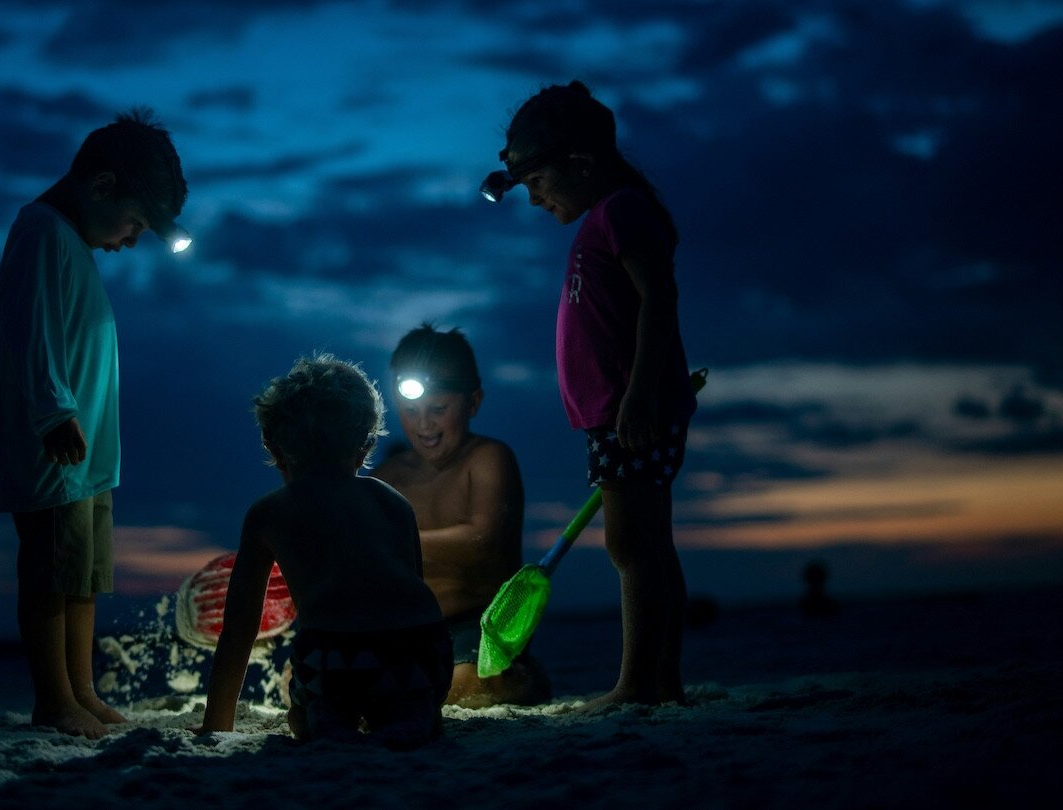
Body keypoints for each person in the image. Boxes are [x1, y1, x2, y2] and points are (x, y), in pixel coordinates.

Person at [480, 81, 697, 707]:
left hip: (634, 414)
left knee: (633, 545)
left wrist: (636, 395)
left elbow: (660, 299)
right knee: (647, 543)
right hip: (618, 415)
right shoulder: (604, 219)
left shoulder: (622, 209)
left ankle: (637, 687)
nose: (534, 199)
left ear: (579, 164)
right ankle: (663, 682)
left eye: (538, 183)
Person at [0, 108, 189, 738]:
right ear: (101, 185)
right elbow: (31, 330)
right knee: (51, 570)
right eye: (134, 223)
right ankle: (54, 698)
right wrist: (53, 412)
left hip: (90, 454)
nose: (132, 240)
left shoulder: (72, 242)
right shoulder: (42, 231)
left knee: (83, 573)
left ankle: (81, 688)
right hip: (56, 447)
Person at [199, 354, 452, 748]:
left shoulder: (269, 512)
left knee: (302, 713)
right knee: (401, 693)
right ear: (366, 446)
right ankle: (413, 712)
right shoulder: (392, 502)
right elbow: (413, 591)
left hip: (338, 659)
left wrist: (216, 724)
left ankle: (328, 719)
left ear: (272, 443)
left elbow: (239, 628)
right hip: (422, 653)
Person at [371, 324, 550, 707]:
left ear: (473, 402)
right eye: (411, 411)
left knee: (466, 688)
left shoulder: (487, 459)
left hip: (478, 623)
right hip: (405, 627)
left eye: (438, 409)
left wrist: (386, 544)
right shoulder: (386, 477)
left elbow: (481, 540)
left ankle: (522, 676)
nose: (425, 424)